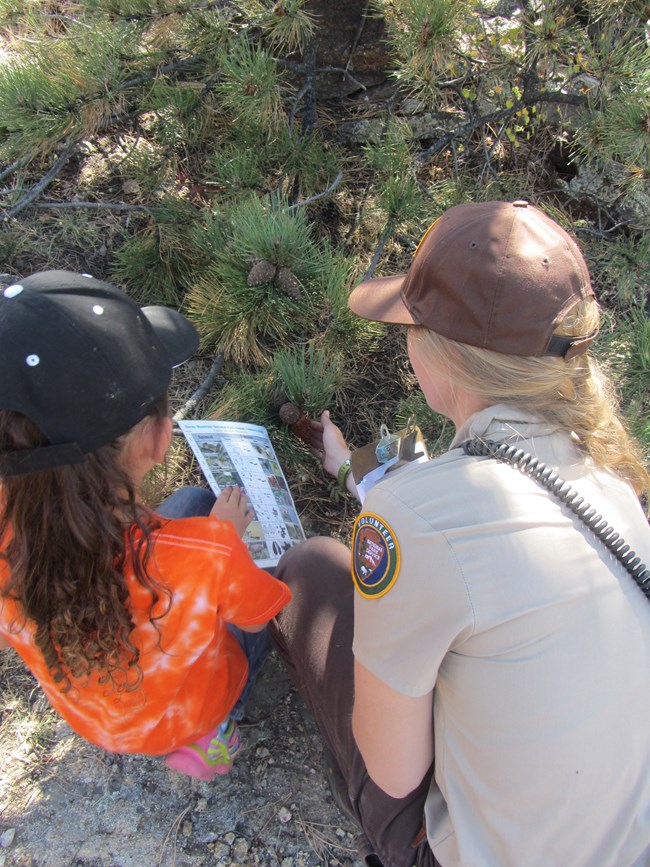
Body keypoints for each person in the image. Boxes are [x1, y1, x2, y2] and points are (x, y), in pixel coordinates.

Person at [269, 201, 650, 866]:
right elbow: (469, 518)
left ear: (437, 353)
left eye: (409, 326)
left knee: (309, 567)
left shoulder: (414, 518)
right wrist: (350, 465)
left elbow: (393, 770)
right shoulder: (614, 478)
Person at [0, 270, 291, 781]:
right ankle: (213, 729)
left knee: (194, 501)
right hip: (181, 712)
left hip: (98, 721)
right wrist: (226, 538)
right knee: (281, 582)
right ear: (158, 441)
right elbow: (254, 620)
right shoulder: (205, 554)